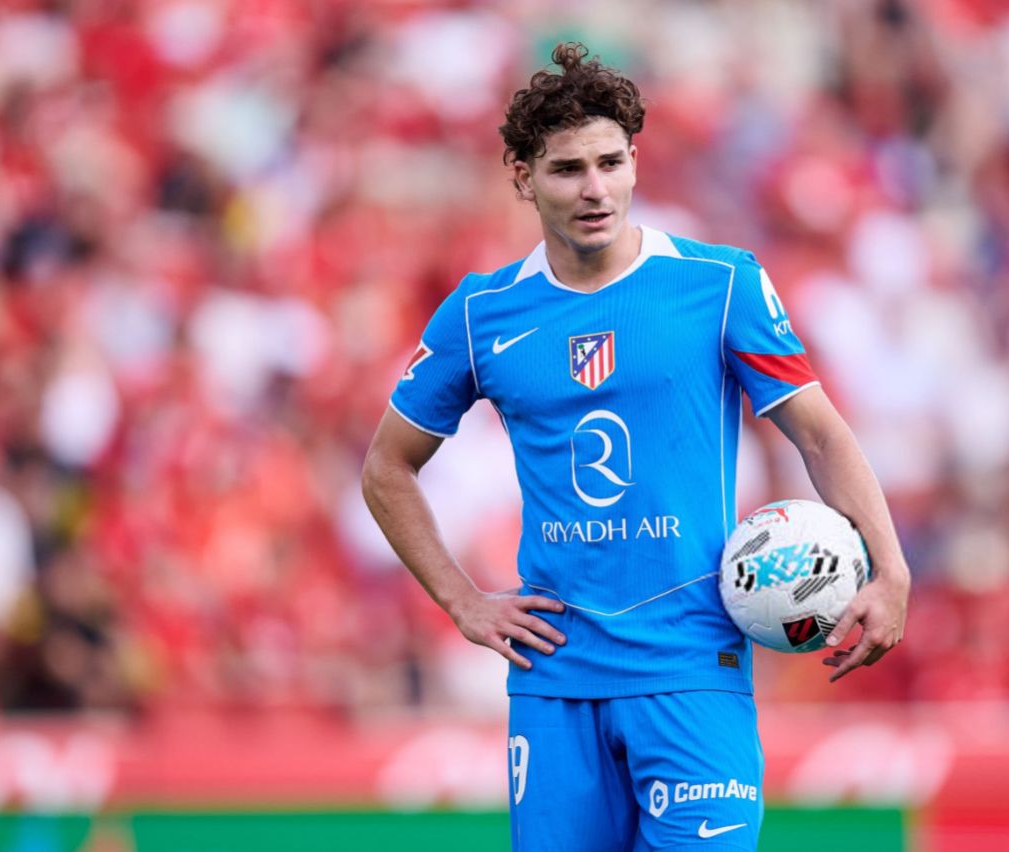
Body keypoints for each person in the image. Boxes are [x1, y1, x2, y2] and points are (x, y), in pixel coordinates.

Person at [362, 43, 910, 852]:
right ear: (523, 177)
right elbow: (386, 467)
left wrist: (890, 568)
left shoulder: (719, 283)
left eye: (611, 163)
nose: (595, 189)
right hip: (555, 681)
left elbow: (821, 434)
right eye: (567, 169)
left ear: (635, 164)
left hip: (692, 673)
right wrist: (463, 601)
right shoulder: (481, 314)